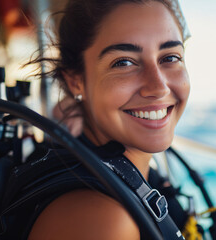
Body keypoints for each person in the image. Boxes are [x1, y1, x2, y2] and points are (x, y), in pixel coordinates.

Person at [28, 0, 191, 239]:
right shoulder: (101, 221)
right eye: (123, 62)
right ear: (76, 81)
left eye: (170, 57)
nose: (158, 87)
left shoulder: (133, 176)